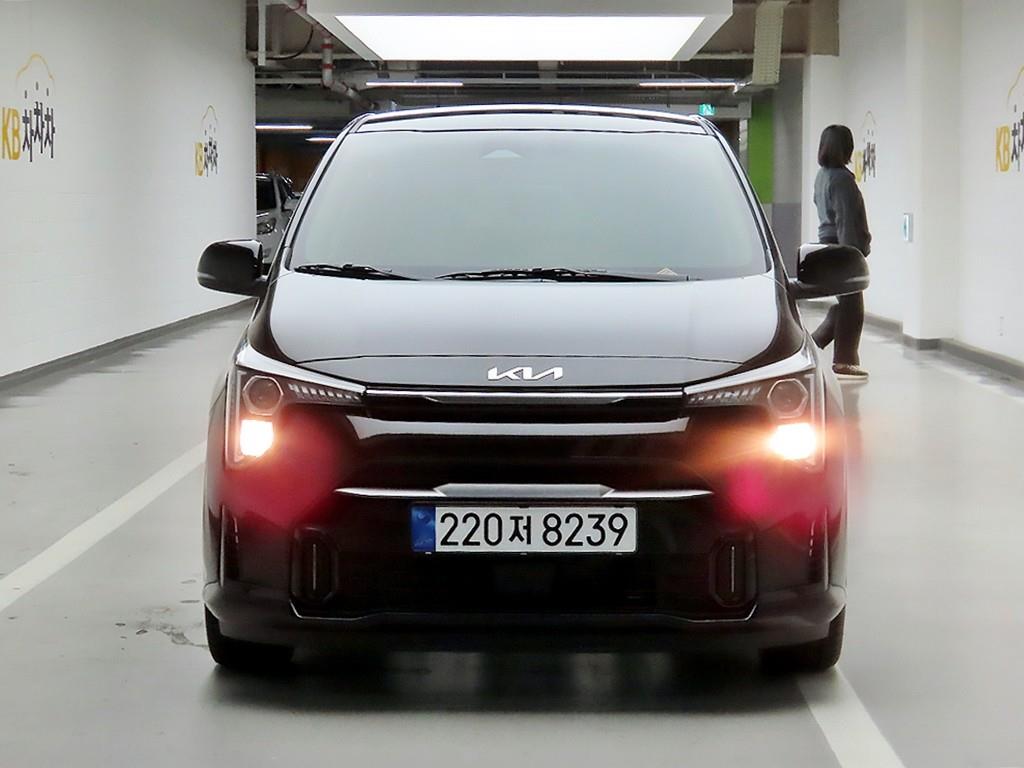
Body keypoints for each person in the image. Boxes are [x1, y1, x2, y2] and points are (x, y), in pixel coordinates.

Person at [810, 124, 871, 380]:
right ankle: (844, 361)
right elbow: (846, 220)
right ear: (846, 148)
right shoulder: (842, 179)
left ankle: (812, 345)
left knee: (844, 306)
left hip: (828, 247)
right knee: (853, 307)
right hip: (841, 249)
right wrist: (851, 256)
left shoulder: (822, 176)